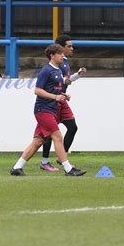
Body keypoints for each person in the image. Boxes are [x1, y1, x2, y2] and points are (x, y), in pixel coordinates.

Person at [10, 44, 86, 177]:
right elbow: (37, 90)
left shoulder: (57, 70)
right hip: (43, 110)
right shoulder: (46, 70)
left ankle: (17, 167)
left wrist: (63, 95)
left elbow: (56, 86)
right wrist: (56, 97)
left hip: (50, 109)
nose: (63, 56)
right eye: (60, 53)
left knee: (38, 141)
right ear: (52, 55)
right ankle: (68, 169)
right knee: (58, 136)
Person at [39, 35, 87, 172]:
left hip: (61, 100)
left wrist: (77, 74)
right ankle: (45, 161)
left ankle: (61, 157)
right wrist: (56, 95)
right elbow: (50, 84)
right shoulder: (55, 64)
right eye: (69, 46)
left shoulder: (64, 63)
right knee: (47, 133)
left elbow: (65, 81)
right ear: (60, 48)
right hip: (51, 101)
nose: (72, 48)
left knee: (72, 127)